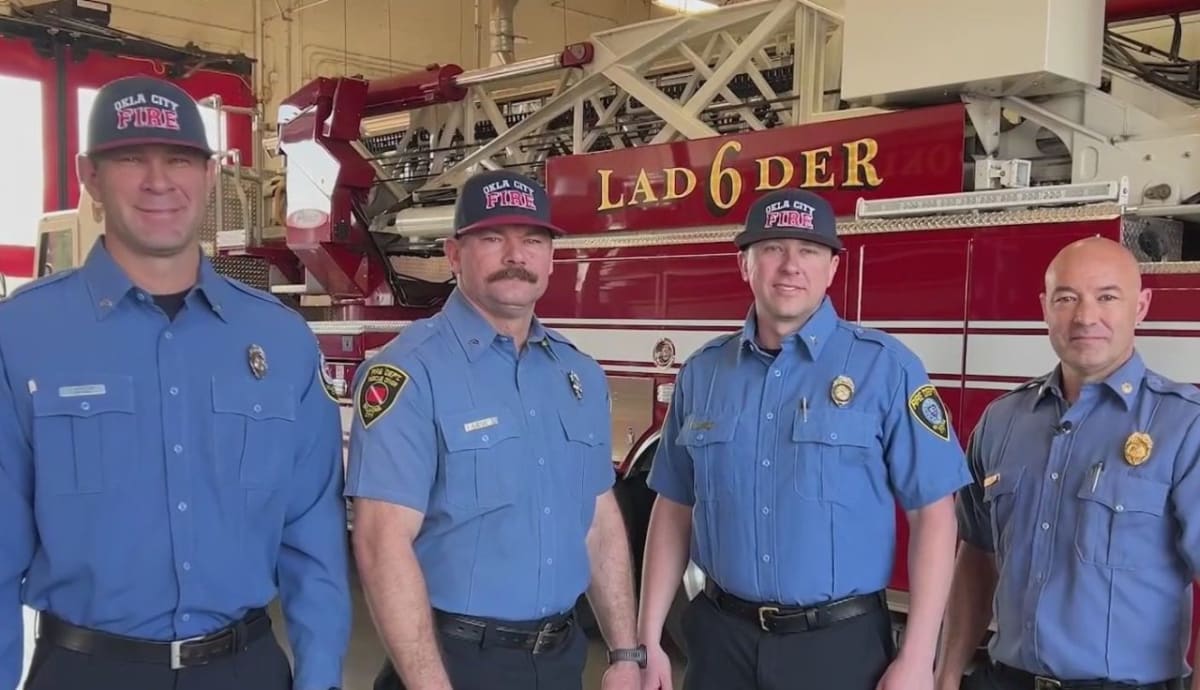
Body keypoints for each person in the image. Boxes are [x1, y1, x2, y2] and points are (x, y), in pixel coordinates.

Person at [0, 75, 351, 690]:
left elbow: (313, 540)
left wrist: (319, 678)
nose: (159, 181)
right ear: (89, 176)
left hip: (247, 669)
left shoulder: (282, 340)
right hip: (86, 672)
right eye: (130, 158)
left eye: (181, 159)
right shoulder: (22, 336)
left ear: (210, 175)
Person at [637, 188, 972, 690]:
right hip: (720, 643)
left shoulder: (885, 368)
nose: (791, 265)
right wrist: (646, 638)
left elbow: (934, 515)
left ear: (833, 268)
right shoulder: (703, 374)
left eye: (809, 250)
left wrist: (919, 656)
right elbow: (674, 508)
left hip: (838, 649)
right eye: (773, 248)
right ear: (744, 264)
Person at [344, 168, 643, 690]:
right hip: (454, 662)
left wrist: (624, 652)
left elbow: (598, 520)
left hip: (560, 660)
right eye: (492, 238)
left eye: (532, 240)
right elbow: (381, 542)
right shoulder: (409, 373)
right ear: (454, 254)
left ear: (550, 258)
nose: (515, 256)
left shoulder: (579, 375)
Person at [934, 236, 1199, 690]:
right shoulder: (1003, 420)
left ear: (1141, 307)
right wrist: (945, 674)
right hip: (1007, 679)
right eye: (1066, 298)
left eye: (1107, 297)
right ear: (1045, 307)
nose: (1085, 317)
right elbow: (976, 555)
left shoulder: (1185, 426)